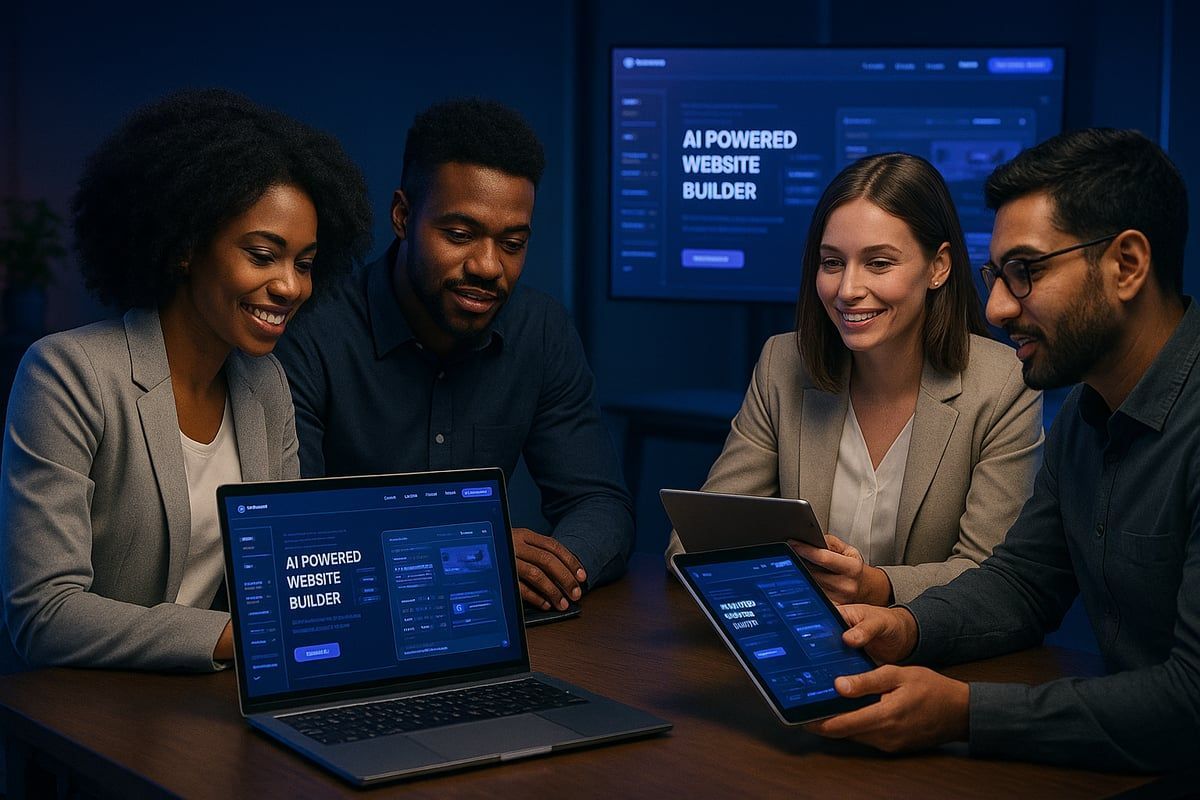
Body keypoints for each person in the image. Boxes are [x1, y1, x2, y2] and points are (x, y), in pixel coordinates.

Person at [807, 129, 1199, 772]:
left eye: (1027, 272)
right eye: (996, 275)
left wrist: (963, 712)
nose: (994, 307)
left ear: (1127, 265)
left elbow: (1192, 701)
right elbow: (1023, 583)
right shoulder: (1085, 411)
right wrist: (905, 627)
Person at [0, 89, 372, 672]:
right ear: (185, 249)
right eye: (262, 254)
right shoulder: (67, 374)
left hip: (212, 704)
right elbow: (44, 612)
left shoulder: (267, 385)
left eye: (303, 263)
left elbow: (287, 575)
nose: (291, 286)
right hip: (86, 720)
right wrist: (237, 638)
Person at [273, 99, 633, 614]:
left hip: (489, 626)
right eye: (460, 236)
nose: (489, 266)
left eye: (512, 243)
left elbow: (600, 505)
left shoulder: (542, 329)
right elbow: (294, 524)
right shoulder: (312, 331)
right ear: (403, 216)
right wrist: (467, 556)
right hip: (357, 628)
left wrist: (549, 573)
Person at [667, 153, 1043, 605]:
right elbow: (690, 545)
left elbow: (992, 577)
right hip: (799, 642)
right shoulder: (782, 363)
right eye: (831, 263)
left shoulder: (1002, 384)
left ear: (938, 267)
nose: (847, 289)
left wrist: (877, 587)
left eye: (879, 263)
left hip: (933, 657)